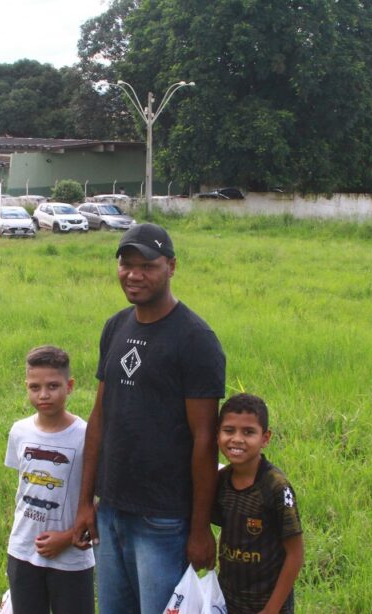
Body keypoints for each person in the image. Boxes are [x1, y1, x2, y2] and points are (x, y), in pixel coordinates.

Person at [73, 223, 226, 614]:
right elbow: (100, 417)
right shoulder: (116, 326)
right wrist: (85, 502)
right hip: (111, 511)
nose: (134, 274)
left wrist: (199, 527)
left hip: (164, 520)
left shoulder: (195, 340)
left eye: (147, 265)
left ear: (171, 267)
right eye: (126, 264)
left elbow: (205, 440)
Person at [5, 346, 95, 614]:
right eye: (35, 387)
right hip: (22, 549)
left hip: (71, 557)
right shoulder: (20, 431)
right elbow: (23, 487)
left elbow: (101, 501)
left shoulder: (86, 436)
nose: (44, 395)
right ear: (26, 387)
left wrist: (68, 538)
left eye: (53, 386)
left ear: (70, 386)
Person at [213, 393, 304, 614]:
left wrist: (271, 609)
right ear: (217, 435)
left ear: (265, 438)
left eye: (248, 432)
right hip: (228, 602)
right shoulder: (221, 481)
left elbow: (295, 554)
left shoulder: (276, 488)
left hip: (268, 605)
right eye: (228, 430)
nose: (236, 439)